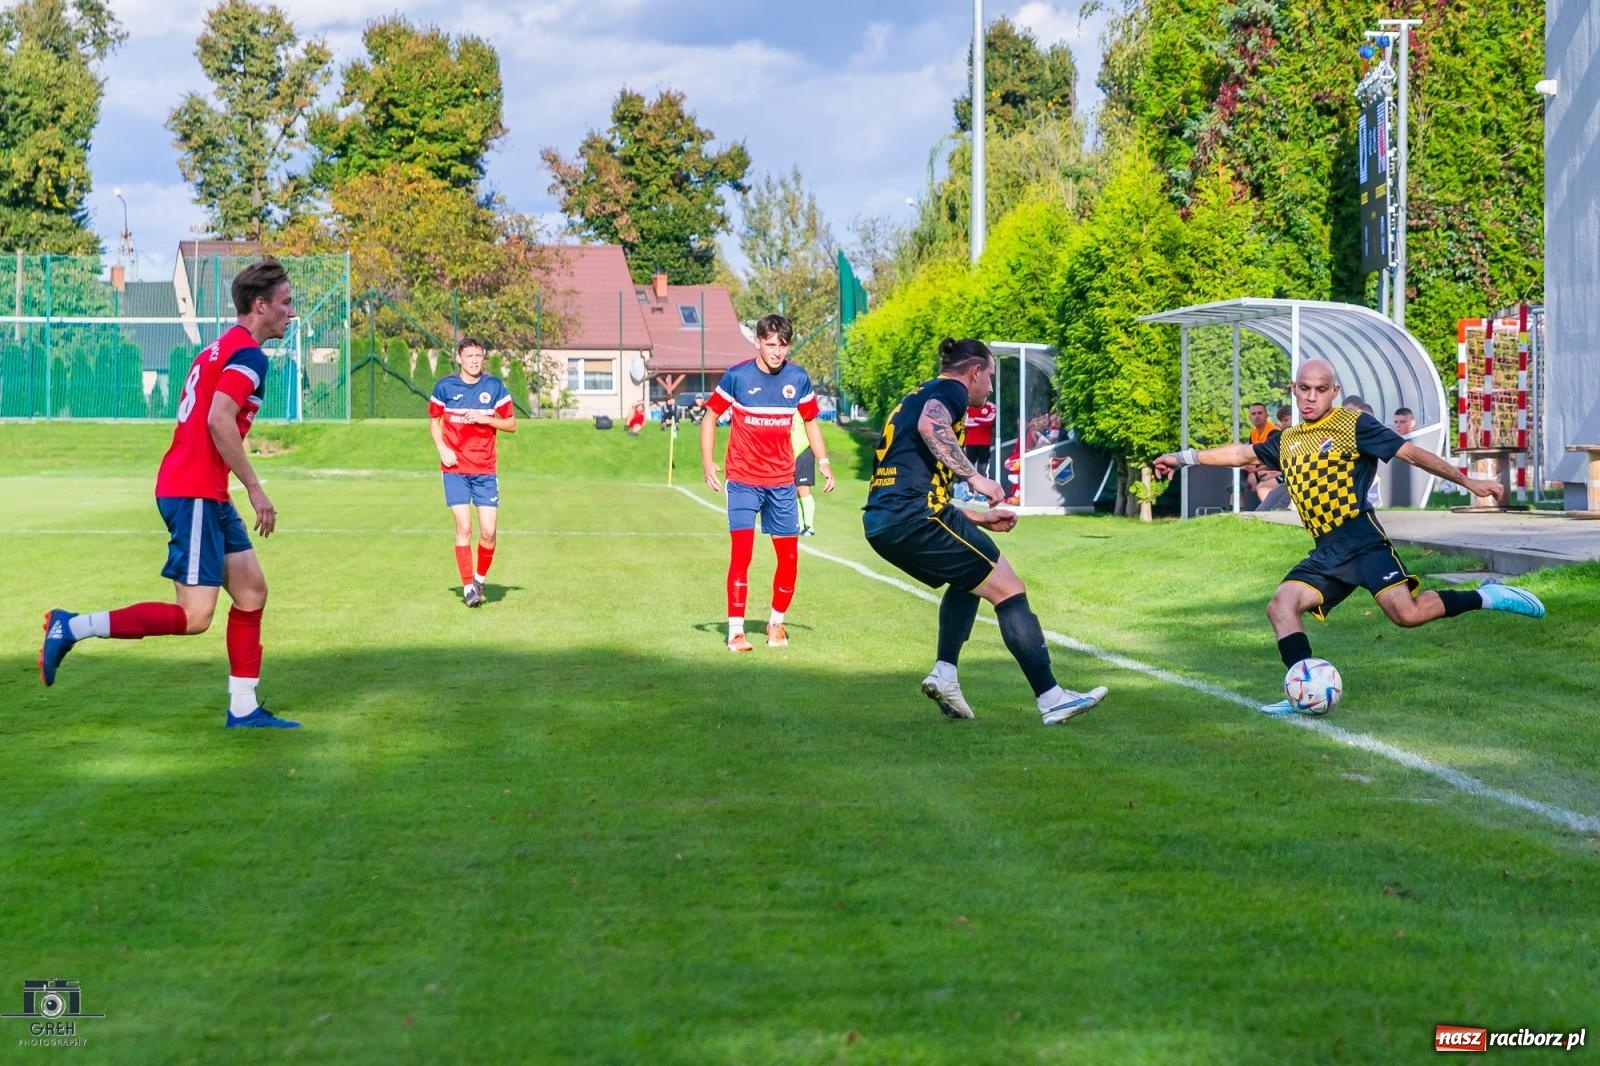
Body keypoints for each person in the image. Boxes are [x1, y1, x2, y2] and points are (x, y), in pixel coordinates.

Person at [1152, 358, 1545, 715]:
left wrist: (1467, 481)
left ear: (1333, 391)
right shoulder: (1287, 440)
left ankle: (1489, 595)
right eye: (1304, 388)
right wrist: (1183, 458)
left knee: (1406, 614)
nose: (1310, 397)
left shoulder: (1353, 425)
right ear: (1294, 388)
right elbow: (1240, 455)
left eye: (1320, 390)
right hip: (1326, 550)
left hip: (1362, 540)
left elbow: (1410, 453)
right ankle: (1304, 689)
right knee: (1281, 606)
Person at [39, 259, 299, 728]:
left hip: (203, 490)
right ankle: (71, 626)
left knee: (251, 591)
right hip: (193, 490)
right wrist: (257, 489)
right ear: (259, 306)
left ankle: (243, 709)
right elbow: (218, 421)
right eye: (285, 302)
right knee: (195, 615)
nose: (291, 312)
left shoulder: (217, 349)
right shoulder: (248, 356)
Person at [863, 337, 1109, 725]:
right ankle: (1052, 698)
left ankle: (945, 674)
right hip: (916, 518)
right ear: (974, 372)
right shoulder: (951, 391)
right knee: (1009, 588)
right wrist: (976, 477)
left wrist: (978, 518)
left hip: (886, 519)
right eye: (990, 377)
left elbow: (912, 483)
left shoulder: (917, 394)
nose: (990, 387)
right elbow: (933, 424)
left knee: (970, 579)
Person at [701, 314, 835, 651]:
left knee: (789, 558)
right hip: (744, 480)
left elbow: (812, 422)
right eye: (770, 344)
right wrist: (708, 463)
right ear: (758, 342)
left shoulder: (798, 378)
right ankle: (735, 631)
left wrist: (824, 462)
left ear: (788, 346)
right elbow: (710, 417)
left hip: (781, 483)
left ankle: (776, 623)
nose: (776, 351)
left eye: (782, 345)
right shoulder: (737, 377)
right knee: (742, 555)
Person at [430, 336, 516, 608]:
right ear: (459, 359)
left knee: (489, 532)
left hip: (485, 469)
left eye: (479, 356)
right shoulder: (445, 387)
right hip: (455, 469)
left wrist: (485, 418)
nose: (475, 361)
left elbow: (511, 424)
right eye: (469, 356)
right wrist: (442, 448)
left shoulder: (494, 387)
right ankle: (468, 587)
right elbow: (434, 421)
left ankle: (479, 578)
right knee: (464, 527)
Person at [1243, 402, 1281, 499]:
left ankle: (1264, 508)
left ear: (1267, 415)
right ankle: (1235, 505)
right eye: (1253, 414)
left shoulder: (1274, 432)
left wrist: (1254, 471)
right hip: (1261, 467)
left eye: (1260, 413)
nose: (1256, 416)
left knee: (1253, 477)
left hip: (1275, 467)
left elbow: (1274, 460)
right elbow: (1251, 456)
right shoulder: (1253, 433)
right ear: (1249, 418)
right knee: (1240, 473)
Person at [790, 410, 819, 536]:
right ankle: (799, 525)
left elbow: (813, 429)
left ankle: (809, 526)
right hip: (788, 454)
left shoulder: (803, 409)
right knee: (792, 490)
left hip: (803, 451)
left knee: (803, 488)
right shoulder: (785, 408)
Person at [963, 396, 996, 480]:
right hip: (970, 442)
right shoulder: (968, 407)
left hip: (984, 442)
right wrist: (982, 421)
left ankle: (983, 490)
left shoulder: (991, 406)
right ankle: (970, 491)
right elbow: (966, 424)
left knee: (983, 469)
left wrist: (975, 419)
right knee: (970, 469)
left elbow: (990, 421)